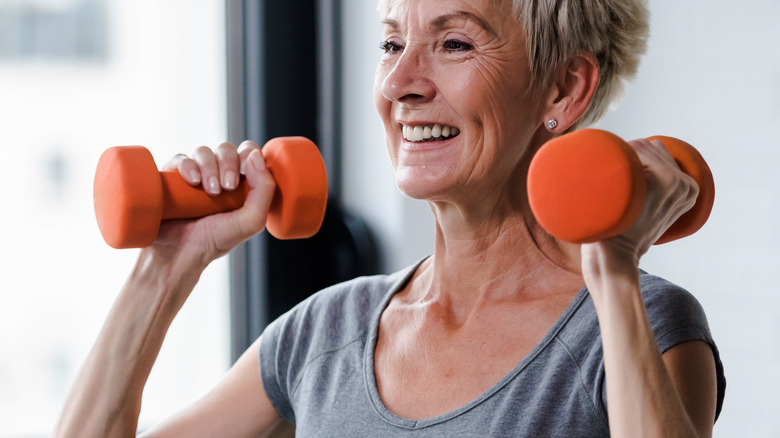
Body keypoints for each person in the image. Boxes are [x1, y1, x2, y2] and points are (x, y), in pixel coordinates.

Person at [54, 0, 726, 436]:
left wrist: (609, 268)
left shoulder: (639, 327)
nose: (400, 82)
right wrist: (165, 268)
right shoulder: (323, 335)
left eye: (455, 43)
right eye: (388, 44)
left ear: (564, 87)